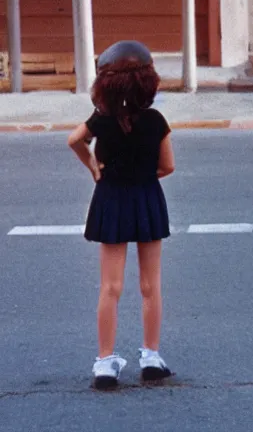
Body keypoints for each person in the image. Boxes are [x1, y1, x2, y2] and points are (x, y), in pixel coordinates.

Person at [68, 41, 176, 389]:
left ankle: (104, 361)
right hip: (145, 197)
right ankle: (151, 356)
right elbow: (168, 166)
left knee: (110, 287)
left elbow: (74, 140)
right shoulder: (156, 121)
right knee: (150, 285)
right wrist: (143, 175)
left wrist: (94, 168)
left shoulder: (102, 120)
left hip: (111, 198)